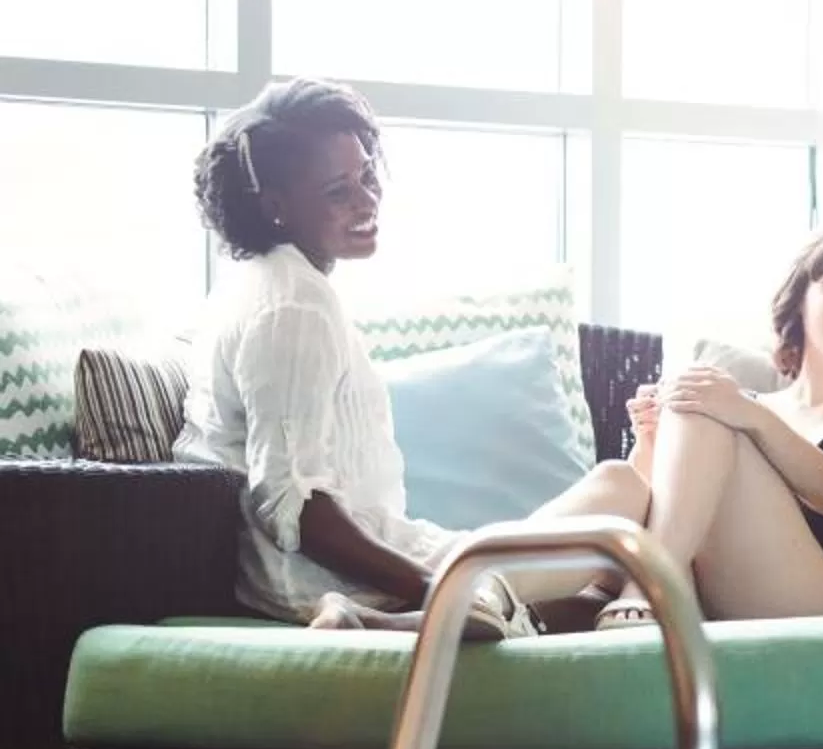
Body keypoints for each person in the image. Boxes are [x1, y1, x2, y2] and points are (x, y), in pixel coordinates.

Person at [179, 79, 647, 634]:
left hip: (363, 555)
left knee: (602, 583)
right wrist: (435, 587)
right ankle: (435, 610)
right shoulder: (294, 306)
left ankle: (474, 612)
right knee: (623, 488)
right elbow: (291, 503)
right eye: (337, 191)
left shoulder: (265, 284)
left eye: (367, 176)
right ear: (277, 206)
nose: (366, 200)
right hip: (321, 578)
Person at [593, 225, 823, 627]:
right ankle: (503, 593)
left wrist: (746, 413)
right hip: (709, 590)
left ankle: (645, 588)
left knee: (706, 397)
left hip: (820, 611)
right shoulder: (740, 410)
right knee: (616, 481)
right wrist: (651, 441)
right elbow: (657, 506)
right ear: (800, 301)